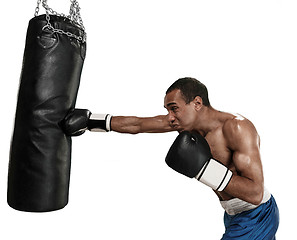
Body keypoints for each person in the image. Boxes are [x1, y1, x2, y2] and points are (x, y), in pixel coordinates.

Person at [62, 77, 279, 239]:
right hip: (232, 213)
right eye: (167, 110)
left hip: (256, 215)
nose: (170, 117)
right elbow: (137, 124)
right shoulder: (185, 124)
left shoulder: (237, 128)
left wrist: (204, 170)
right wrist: (90, 122)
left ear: (197, 103)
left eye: (174, 109)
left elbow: (255, 192)